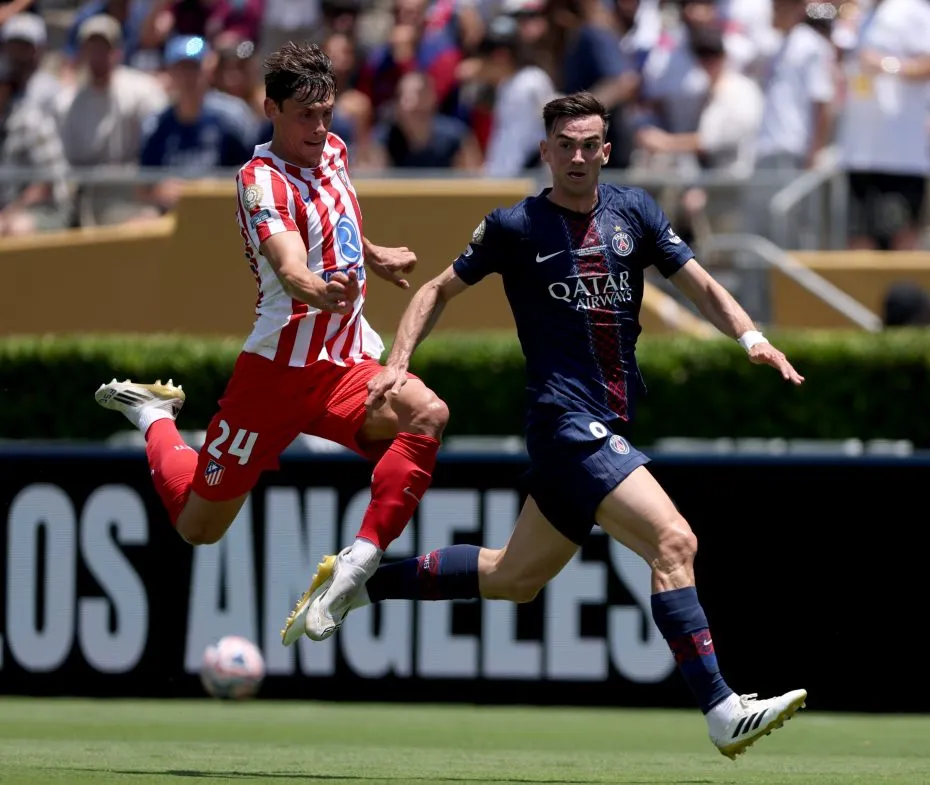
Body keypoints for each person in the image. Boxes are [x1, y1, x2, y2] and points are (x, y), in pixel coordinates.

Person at [296, 90, 808, 759]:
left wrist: (750, 337)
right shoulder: (516, 226)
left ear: (606, 150)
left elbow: (701, 283)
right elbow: (433, 289)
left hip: (602, 423)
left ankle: (365, 581)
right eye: (563, 145)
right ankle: (720, 707)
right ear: (544, 151)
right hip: (565, 424)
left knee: (514, 577)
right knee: (674, 541)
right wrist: (396, 361)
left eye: (588, 144)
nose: (575, 156)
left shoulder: (636, 212)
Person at [92, 42, 449, 648]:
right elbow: (289, 268)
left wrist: (375, 254)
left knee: (428, 413)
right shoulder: (258, 183)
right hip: (274, 375)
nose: (318, 127)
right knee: (198, 526)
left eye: (326, 113)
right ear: (270, 109)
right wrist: (320, 291)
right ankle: (154, 416)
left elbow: (335, 218)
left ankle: (357, 563)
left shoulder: (334, 151)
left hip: (342, 366)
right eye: (304, 115)